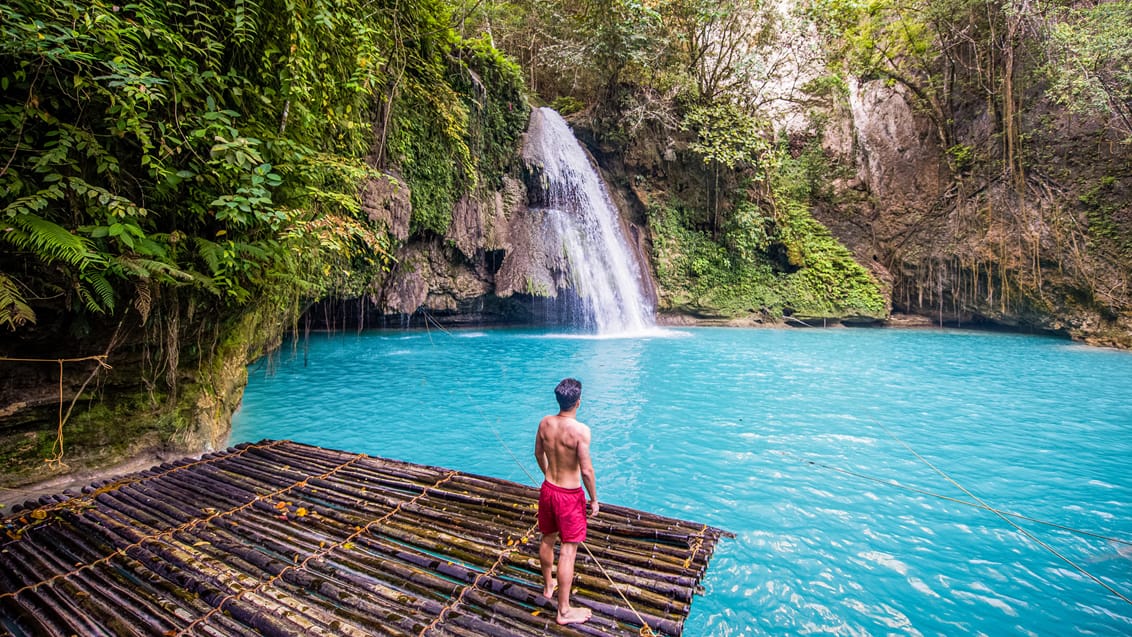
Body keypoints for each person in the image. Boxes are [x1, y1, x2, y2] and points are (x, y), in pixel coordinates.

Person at [534, 377, 599, 625]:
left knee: (547, 538)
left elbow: (537, 453)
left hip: (549, 489)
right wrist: (594, 500)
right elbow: (586, 471)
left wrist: (547, 475)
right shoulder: (581, 431)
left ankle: (548, 586)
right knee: (569, 551)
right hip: (569, 496)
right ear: (578, 402)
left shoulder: (545, 423)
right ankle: (563, 611)